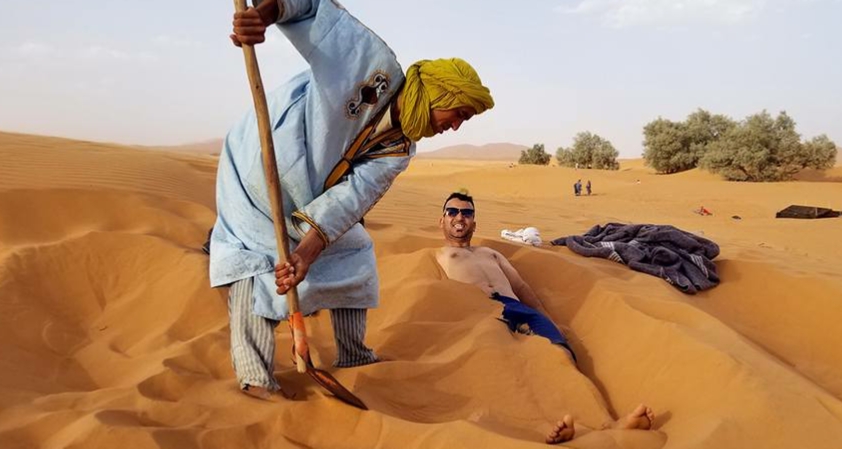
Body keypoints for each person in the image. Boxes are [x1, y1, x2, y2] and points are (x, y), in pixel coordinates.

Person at [209, 0, 494, 400]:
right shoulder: (370, 63)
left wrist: (306, 254)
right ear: (437, 92)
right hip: (262, 156)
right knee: (253, 255)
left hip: (311, 192)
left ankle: (355, 354)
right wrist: (264, 16)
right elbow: (309, 8)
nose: (455, 126)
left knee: (354, 250)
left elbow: (351, 199)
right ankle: (256, 377)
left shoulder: (400, 147)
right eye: (459, 113)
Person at [434, 192, 655, 444]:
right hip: (482, 314)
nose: (459, 217)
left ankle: (607, 422)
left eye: (467, 212)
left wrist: (547, 319)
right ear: (442, 221)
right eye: (452, 212)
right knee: (510, 368)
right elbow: (433, 299)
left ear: (475, 222)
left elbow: (521, 287)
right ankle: (548, 425)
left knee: (561, 355)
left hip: (518, 308)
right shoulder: (437, 256)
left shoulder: (490, 253)